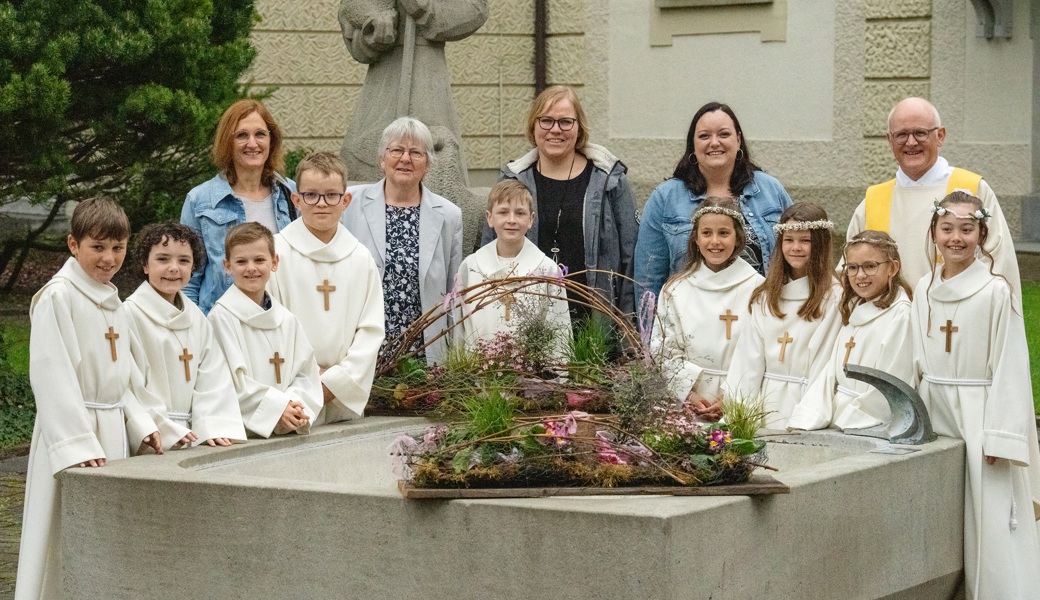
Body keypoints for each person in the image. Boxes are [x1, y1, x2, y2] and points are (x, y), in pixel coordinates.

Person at [16, 199, 162, 600]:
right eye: (97, 247)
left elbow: (122, 381)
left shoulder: (112, 300)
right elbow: (51, 374)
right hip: (76, 438)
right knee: (63, 536)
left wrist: (143, 424)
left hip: (111, 431)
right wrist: (77, 444)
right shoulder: (58, 297)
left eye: (117, 248)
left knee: (108, 540)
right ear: (73, 244)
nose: (109, 258)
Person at [910, 191, 1040, 600]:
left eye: (967, 229)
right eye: (947, 228)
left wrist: (1000, 433)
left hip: (980, 412)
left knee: (989, 515)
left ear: (982, 233)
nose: (956, 238)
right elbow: (913, 356)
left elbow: (1010, 364)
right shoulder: (923, 287)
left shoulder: (996, 292)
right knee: (941, 510)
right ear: (933, 232)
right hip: (934, 405)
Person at [481, 85, 638, 321]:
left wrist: (628, 328)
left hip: (595, 329)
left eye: (565, 121)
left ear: (579, 127)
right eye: (546, 121)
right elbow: (489, 256)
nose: (555, 130)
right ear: (534, 126)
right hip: (528, 325)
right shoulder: (513, 180)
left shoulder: (608, 180)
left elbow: (631, 257)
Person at [847, 97, 1020, 302]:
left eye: (920, 133)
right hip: (888, 323)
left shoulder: (972, 189)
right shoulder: (874, 200)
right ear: (889, 140)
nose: (911, 142)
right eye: (901, 135)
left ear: (940, 135)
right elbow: (850, 269)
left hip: (954, 317)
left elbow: (998, 263)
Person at [635, 101, 792, 307]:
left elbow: (797, 256)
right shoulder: (665, 198)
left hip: (761, 321)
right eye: (704, 136)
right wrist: (650, 335)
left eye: (724, 134)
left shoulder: (770, 190)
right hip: (690, 324)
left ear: (738, 140)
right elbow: (648, 280)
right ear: (693, 145)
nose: (714, 142)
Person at [268, 152, 385, 423]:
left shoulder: (360, 258)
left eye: (331, 195)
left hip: (342, 397)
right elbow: (270, 325)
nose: (321, 204)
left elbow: (371, 332)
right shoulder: (276, 253)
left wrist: (334, 383)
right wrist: (308, 381)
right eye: (311, 195)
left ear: (346, 201)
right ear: (296, 200)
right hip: (291, 393)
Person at [343, 117, 462, 365]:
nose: (405, 159)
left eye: (416, 153)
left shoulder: (449, 215)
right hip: (364, 345)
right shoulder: (349, 204)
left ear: (428, 164)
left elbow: (453, 291)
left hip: (424, 346)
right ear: (382, 159)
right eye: (396, 150)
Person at [124, 222, 247, 448]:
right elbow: (130, 383)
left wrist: (211, 425)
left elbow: (212, 376)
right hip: (153, 434)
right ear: (145, 264)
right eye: (162, 259)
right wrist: (164, 427)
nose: (174, 268)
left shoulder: (197, 318)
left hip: (194, 435)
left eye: (184, 260)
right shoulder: (130, 314)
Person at [338, 0, 488, 182]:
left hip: (426, 75)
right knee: (364, 166)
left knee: (436, 168)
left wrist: (422, 7)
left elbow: (475, 9)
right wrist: (373, 26)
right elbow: (353, 10)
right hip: (385, 78)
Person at [725, 203, 842, 429]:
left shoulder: (833, 297)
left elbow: (823, 368)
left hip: (806, 406)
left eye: (805, 240)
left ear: (820, 244)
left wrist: (805, 419)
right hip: (764, 408)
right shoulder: (765, 296)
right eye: (789, 240)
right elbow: (747, 363)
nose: (796, 247)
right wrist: (740, 419)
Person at [788, 231, 914, 431]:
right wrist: (810, 413)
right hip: (838, 417)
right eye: (852, 268)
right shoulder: (853, 307)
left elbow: (892, 383)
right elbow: (831, 372)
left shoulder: (900, 316)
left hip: (866, 422)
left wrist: (848, 420)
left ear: (892, 267)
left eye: (870, 266)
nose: (860, 275)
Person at [651, 197, 764, 420]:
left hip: (740, 400)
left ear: (738, 237)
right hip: (688, 404)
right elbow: (663, 349)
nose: (715, 241)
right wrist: (689, 394)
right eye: (707, 233)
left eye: (724, 233)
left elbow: (761, 352)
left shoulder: (757, 288)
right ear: (695, 238)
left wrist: (732, 397)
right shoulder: (676, 289)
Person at [181, 99, 296, 314]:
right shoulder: (200, 200)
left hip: (280, 323)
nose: (252, 143)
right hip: (221, 327)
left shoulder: (292, 194)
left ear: (272, 140)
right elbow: (189, 279)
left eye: (260, 134)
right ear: (228, 142)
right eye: (242, 135)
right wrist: (197, 329)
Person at [208, 223, 322, 438]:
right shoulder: (221, 318)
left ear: (274, 262)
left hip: (288, 426)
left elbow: (306, 375)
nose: (251, 268)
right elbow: (226, 382)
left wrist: (293, 407)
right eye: (241, 261)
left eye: (259, 260)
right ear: (227, 265)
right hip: (244, 434)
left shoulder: (287, 320)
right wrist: (277, 409)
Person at [455, 179, 570, 355]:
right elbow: (459, 329)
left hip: (532, 375)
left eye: (520, 213)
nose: (511, 220)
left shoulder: (547, 270)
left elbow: (559, 328)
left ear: (531, 219)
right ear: (489, 218)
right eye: (503, 212)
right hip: (478, 374)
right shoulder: (471, 267)